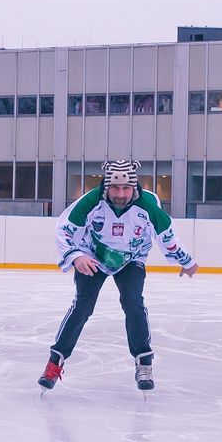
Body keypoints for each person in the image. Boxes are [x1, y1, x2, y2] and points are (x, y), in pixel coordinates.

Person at [39, 159, 197, 393]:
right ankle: (55, 363)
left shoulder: (148, 206)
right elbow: (64, 231)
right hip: (92, 255)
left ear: (134, 187)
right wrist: (75, 256)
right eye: (115, 188)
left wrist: (186, 261)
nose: (120, 194)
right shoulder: (91, 201)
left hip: (131, 259)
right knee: (82, 306)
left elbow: (167, 237)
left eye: (125, 188)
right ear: (106, 186)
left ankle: (143, 362)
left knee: (133, 303)